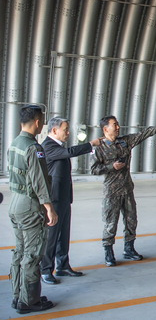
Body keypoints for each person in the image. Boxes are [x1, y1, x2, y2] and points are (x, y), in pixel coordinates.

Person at [91, 115, 156, 266]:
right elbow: (93, 169)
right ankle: (108, 253)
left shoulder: (125, 141)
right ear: (105, 129)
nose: (118, 127)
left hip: (127, 189)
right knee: (111, 223)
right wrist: (111, 167)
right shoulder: (100, 148)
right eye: (114, 125)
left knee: (131, 220)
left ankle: (129, 249)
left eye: (117, 124)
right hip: (112, 192)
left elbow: (143, 134)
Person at [7, 105, 58, 314]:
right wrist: (49, 209)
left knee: (20, 252)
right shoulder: (33, 148)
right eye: (42, 121)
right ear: (37, 122)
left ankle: (19, 296)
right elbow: (39, 183)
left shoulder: (15, 144)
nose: (43, 124)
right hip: (30, 206)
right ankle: (30, 302)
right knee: (32, 254)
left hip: (15, 204)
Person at [40, 117, 101, 285]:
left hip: (65, 198)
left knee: (64, 235)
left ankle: (62, 266)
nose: (68, 133)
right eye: (65, 129)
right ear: (54, 130)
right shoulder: (48, 146)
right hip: (54, 200)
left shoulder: (58, 146)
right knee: (52, 236)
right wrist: (91, 144)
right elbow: (70, 152)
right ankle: (46, 270)